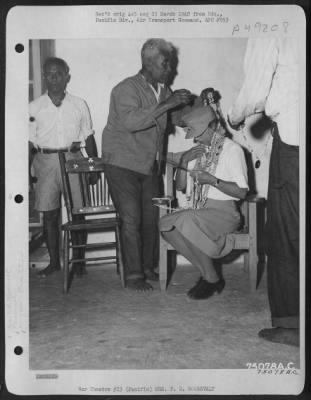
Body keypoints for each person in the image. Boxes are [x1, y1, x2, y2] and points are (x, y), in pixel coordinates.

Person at [102, 38, 192, 292]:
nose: (170, 69)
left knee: (153, 217)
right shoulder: (125, 89)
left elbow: (180, 118)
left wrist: (199, 102)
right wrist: (168, 104)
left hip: (148, 165)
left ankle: (147, 267)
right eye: (166, 64)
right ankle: (133, 276)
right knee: (131, 219)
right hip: (121, 163)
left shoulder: (163, 91)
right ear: (149, 63)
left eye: (171, 64)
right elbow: (132, 122)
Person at [228, 38, 300, 347]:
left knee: (285, 232)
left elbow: (255, 91)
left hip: (297, 141)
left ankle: (292, 324)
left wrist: (233, 116)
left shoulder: (270, 20)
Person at [159, 105, 249, 299]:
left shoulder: (233, 150)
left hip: (224, 214)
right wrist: (184, 161)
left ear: (211, 127)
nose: (194, 138)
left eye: (197, 133)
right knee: (166, 226)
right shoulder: (199, 150)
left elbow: (242, 192)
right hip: (199, 211)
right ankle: (211, 276)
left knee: (185, 220)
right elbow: (181, 187)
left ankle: (209, 278)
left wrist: (213, 181)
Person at [29, 57, 98, 277]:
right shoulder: (34, 107)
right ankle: (55, 262)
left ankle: (79, 262)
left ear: (67, 76)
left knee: (78, 213)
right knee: (50, 214)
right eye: (50, 74)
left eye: (59, 73)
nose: (55, 78)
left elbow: (88, 137)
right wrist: (25, 173)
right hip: (45, 161)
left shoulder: (79, 104)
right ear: (44, 76)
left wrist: (93, 166)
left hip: (73, 159)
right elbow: (28, 143)